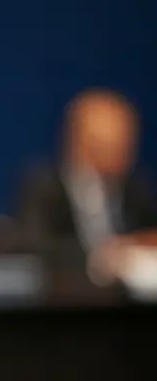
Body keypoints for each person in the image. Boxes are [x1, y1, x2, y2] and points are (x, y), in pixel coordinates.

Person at [18, 88, 157, 283]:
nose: (123, 153)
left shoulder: (137, 188)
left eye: (127, 142)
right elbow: (34, 246)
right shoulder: (43, 186)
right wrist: (101, 258)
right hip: (68, 292)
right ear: (80, 141)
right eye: (109, 144)